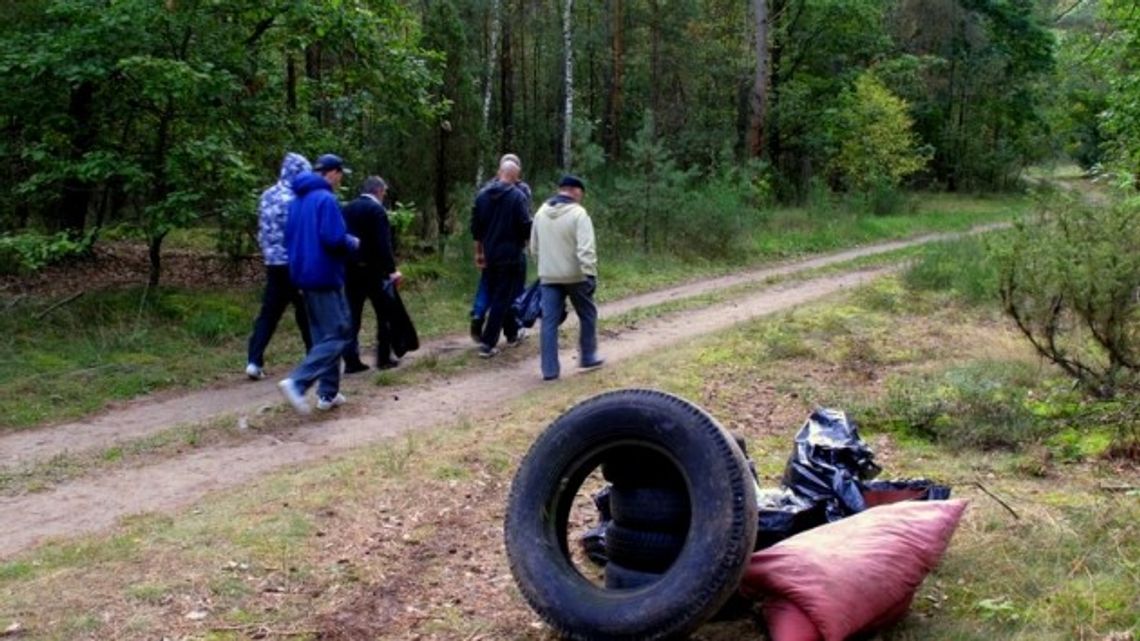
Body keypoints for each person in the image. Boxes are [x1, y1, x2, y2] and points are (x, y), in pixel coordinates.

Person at [277, 153, 359, 413]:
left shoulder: (296, 201)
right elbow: (334, 239)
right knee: (340, 332)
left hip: (302, 274)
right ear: (332, 173)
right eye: (340, 174)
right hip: (324, 274)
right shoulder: (326, 199)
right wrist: (352, 242)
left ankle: (328, 393)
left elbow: (288, 239)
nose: (340, 180)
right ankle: (298, 382)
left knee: (323, 334)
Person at [244, 152, 314, 380]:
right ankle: (313, 357)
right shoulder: (297, 198)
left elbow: (262, 229)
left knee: (269, 314)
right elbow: (302, 232)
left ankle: (254, 360)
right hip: (295, 263)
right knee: (305, 312)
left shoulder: (267, 195)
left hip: (273, 263)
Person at [529, 175, 603, 381]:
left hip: (548, 276)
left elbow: (534, 247)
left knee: (549, 322)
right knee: (587, 313)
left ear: (560, 189)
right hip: (576, 276)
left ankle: (549, 370)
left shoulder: (541, 213)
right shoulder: (579, 214)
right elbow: (586, 249)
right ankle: (587, 356)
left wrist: (544, 266)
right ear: (576, 191)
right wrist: (590, 273)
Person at [471, 157, 532, 357]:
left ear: (500, 173)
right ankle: (488, 344)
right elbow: (525, 226)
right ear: (516, 176)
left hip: (489, 254)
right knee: (502, 299)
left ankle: (512, 333)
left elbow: (476, 228)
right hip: (510, 255)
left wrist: (479, 252)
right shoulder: (517, 196)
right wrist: (529, 238)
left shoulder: (482, 196)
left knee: (501, 296)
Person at [343, 176, 402, 372]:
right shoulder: (377, 210)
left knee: (353, 314)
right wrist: (392, 270)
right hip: (373, 270)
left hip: (350, 269)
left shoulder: (347, 208)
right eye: (384, 192)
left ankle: (351, 360)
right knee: (384, 313)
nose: (384, 196)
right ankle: (383, 357)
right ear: (378, 191)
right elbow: (383, 243)